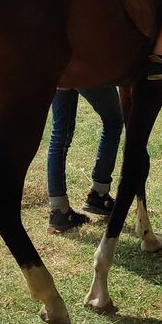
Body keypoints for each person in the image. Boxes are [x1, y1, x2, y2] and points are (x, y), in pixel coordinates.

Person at [45, 87, 123, 231]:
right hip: (84, 68)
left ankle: (58, 209)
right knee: (114, 121)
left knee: (59, 133)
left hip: (59, 71)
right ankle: (99, 193)